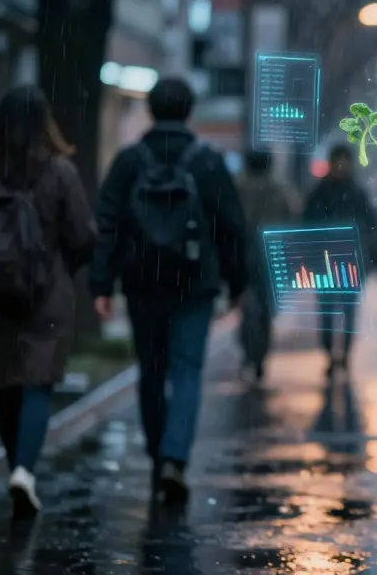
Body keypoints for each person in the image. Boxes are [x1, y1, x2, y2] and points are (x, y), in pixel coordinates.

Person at [89, 77, 249, 504]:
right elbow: (232, 227)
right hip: (195, 284)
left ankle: (158, 455)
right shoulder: (207, 161)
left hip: (142, 282)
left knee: (152, 371)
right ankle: (175, 459)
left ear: (150, 109)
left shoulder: (129, 161)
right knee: (187, 371)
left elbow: (106, 224)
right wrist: (238, 283)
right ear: (189, 111)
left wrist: (102, 283)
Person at [0, 85, 96, 518]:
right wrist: (61, 265)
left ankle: (15, 467)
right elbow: (83, 235)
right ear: (44, 121)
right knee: (37, 381)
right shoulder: (59, 172)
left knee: (6, 383)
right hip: (45, 294)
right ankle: (24, 471)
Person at [301, 143, 377, 374]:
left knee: (348, 311)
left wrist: (372, 260)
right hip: (324, 263)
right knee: (327, 310)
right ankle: (329, 352)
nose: (341, 166)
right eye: (338, 161)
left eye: (345, 161)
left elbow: (371, 229)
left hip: (351, 263)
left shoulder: (357, 193)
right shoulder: (319, 192)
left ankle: (344, 355)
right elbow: (307, 227)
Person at [236, 150, 302, 382]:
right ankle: (260, 355)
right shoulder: (280, 191)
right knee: (265, 311)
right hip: (272, 257)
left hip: (242, 256)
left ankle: (248, 352)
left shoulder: (237, 189)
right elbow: (293, 223)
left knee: (247, 308)